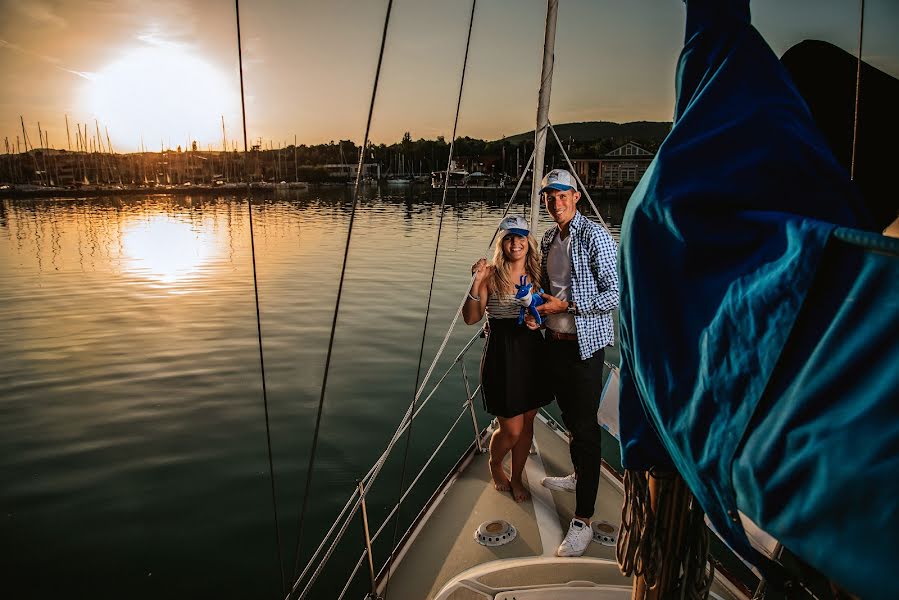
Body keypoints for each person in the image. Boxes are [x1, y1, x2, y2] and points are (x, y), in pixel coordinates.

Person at [525, 168, 619, 557]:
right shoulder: (548, 238)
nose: (555, 201)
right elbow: (549, 290)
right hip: (554, 341)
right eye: (549, 196)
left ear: (576, 196)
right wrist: (538, 312)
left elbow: (615, 293)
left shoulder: (596, 235)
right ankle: (579, 475)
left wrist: (570, 305)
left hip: (584, 347)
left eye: (562, 194)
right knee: (567, 415)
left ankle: (583, 519)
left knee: (585, 429)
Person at [464, 215, 552, 503]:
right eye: (509, 238)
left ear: (529, 242)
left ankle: (516, 477)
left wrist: (539, 322)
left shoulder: (538, 272)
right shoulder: (490, 274)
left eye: (521, 237)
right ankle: (494, 461)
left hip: (533, 353)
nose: (515, 243)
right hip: (502, 354)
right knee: (511, 429)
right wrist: (476, 285)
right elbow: (471, 318)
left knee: (527, 423)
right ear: (502, 243)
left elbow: (546, 310)